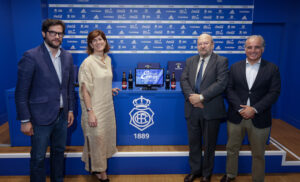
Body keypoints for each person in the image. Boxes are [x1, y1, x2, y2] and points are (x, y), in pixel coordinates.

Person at [15, 19, 75, 182]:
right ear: (44, 33)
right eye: (53, 33)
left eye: (60, 33)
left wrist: (70, 110)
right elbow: (21, 91)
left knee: (58, 153)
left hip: (62, 116)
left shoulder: (68, 57)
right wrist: (25, 120)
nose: (57, 36)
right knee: (38, 158)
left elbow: (68, 87)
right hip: (39, 118)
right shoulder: (31, 56)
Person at [220, 35, 281, 182]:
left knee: (259, 153)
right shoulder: (235, 67)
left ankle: (258, 179)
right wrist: (240, 109)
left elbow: (274, 93)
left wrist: (254, 109)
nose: (253, 50)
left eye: (257, 47)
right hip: (236, 116)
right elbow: (229, 90)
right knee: (232, 149)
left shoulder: (272, 68)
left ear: (262, 49)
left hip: (259, 117)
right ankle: (230, 175)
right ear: (245, 49)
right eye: (249, 47)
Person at [180, 33, 229, 182]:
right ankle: (195, 171)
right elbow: (184, 80)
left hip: (210, 109)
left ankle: (207, 174)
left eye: (206, 43)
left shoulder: (221, 61)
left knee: (209, 144)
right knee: (194, 143)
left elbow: (221, 83)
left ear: (212, 45)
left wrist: (201, 97)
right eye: (200, 43)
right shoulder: (190, 61)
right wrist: (192, 98)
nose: (202, 46)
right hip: (192, 108)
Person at [78, 29, 119, 182]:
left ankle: (96, 168)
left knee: (104, 139)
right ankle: (102, 174)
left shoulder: (107, 59)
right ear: (90, 44)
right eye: (94, 40)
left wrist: (108, 88)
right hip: (94, 108)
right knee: (97, 139)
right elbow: (85, 90)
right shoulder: (87, 63)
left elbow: (100, 80)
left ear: (105, 41)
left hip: (107, 106)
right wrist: (90, 112)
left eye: (101, 39)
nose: (98, 42)